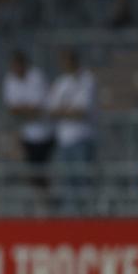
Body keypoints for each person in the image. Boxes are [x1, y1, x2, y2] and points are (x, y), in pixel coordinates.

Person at [3, 50, 54, 189]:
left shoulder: (37, 77)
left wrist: (23, 111)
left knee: (45, 172)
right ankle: (39, 198)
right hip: (27, 134)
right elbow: (12, 109)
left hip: (46, 133)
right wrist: (28, 110)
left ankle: (47, 198)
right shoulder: (10, 79)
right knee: (32, 174)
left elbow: (39, 108)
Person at [47, 49, 97, 188]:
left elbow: (82, 111)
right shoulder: (61, 82)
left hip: (82, 138)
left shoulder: (87, 79)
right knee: (66, 183)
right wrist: (69, 111)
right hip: (64, 140)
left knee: (83, 182)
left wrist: (63, 111)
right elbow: (51, 110)